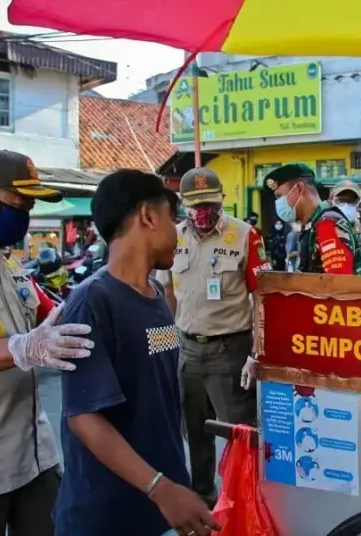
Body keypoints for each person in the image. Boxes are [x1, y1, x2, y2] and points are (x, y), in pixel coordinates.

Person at [54, 170, 220, 536]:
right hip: (108, 515)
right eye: (174, 218)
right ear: (147, 216)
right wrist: (160, 488)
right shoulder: (92, 301)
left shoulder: (157, 296)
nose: (179, 231)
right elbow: (84, 418)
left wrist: (171, 488)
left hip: (158, 509)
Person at [0, 149, 94, 536]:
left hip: (33, 457)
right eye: (18, 205)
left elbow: (53, 315)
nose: (24, 217)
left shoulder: (7, 260)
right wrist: (21, 348)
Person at [157, 167, 271, 508]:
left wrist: (257, 353)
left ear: (222, 200)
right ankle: (203, 504)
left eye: (210, 204)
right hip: (187, 350)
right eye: (195, 206)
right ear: (183, 204)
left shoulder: (246, 235)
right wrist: (169, 347)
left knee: (239, 434)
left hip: (230, 351)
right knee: (194, 433)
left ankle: (242, 503)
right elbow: (167, 294)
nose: (203, 213)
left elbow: (263, 298)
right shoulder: (172, 237)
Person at [265, 162, 361, 275]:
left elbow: (338, 285)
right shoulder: (313, 225)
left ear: (299, 189)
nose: (278, 203)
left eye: (279, 196)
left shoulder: (327, 225)